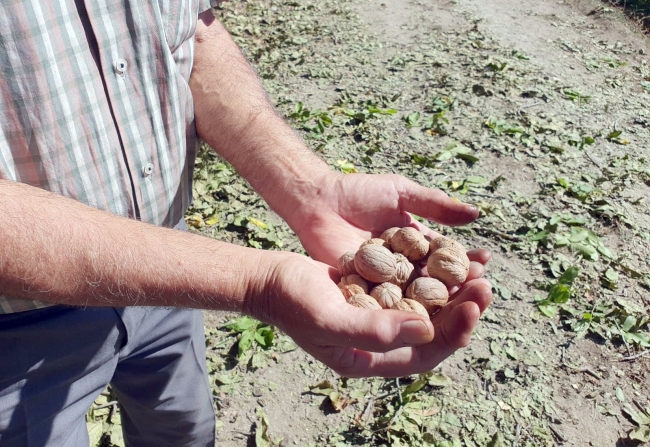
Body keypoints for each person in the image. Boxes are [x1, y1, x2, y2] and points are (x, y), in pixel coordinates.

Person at [0, 1, 493, 446]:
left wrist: (309, 187)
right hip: (18, 328)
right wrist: (260, 285)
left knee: (182, 431)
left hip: (171, 273)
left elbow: (185, 32)